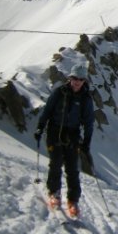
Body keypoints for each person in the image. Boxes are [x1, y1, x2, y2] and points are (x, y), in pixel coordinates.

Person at [34, 63, 94, 218]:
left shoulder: (86, 99)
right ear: (70, 78)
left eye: (80, 79)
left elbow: (89, 122)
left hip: (72, 135)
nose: (77, 82)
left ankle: (73, 201)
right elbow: (47, 110)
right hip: (55, 131)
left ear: (84, 81)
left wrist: (86, 141)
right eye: (75, 78)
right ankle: (54, 193)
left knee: (72, 168)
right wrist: (40, 127)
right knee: (55, 163)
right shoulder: (59, 93)